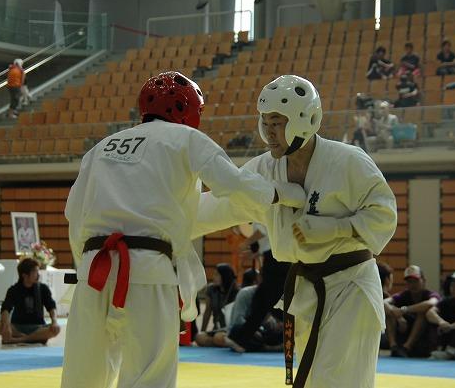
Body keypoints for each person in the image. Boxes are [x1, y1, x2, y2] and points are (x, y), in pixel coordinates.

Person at [60, 71, 306, 388]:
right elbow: (233, 183)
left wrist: (84, 267)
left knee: (82, 374)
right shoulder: (186, 139)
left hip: (93, 272)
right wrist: (280, 194)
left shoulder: (101, 147)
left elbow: (73, 212)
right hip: (148, 270)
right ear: (189, 110)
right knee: (149, 374)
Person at [193, 74, 398, 388]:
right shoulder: (263, 169)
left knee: (338, 381)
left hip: (350, 285)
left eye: (277, 123)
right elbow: (218, 206)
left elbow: (384, 215)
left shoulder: (348, 161)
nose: (269, 132)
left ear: (306, 120)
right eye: (265, 122)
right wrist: (159, 221)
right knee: (316, 379)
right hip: (305, 289)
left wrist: (337, 228)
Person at [227, 222, 291, 352]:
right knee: (260, 302)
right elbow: (267, 241)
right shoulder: (256, 217)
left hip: (278, 262)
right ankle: (240, 340)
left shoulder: (260, 213)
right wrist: (254, 254)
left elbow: (263, 231)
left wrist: (245, 243)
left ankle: (300, 328)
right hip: (274, 258)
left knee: (270, 303)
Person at [0, 258, 60, 344]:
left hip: (38, 327)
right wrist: (6, 326)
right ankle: (33, 338)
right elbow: (6, 309)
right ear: (24, 275)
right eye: (35, 272)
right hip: (17, 327)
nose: (38, 275)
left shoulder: (43, 288)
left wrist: (54, 322)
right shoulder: (14, 290)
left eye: (38, 271)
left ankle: (20, 339)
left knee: (56, 329)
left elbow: (51, 307)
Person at [384, 265, 440, 358]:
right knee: (390, 313)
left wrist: (404, 310)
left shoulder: (431, 294)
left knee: (423, 312)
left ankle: (407, 347)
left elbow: (431, 303)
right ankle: (394, 347)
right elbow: (384, 303)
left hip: (424, 339)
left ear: (423, 280)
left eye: (416, 281)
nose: (413, 284)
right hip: (404, 333)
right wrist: (398, 316)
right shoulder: (403, 295)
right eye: (409, 281)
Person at [195, 263, 239, 347]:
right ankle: (223, 343)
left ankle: (223, 342)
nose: (213, 277)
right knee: (199, 337)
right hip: (216, 330)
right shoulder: (211, 290)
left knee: (218, 338)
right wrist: (203, 331)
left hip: (229, 330)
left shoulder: (236, 292)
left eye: (216, 275)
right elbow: (207, 312)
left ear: (225, 276)